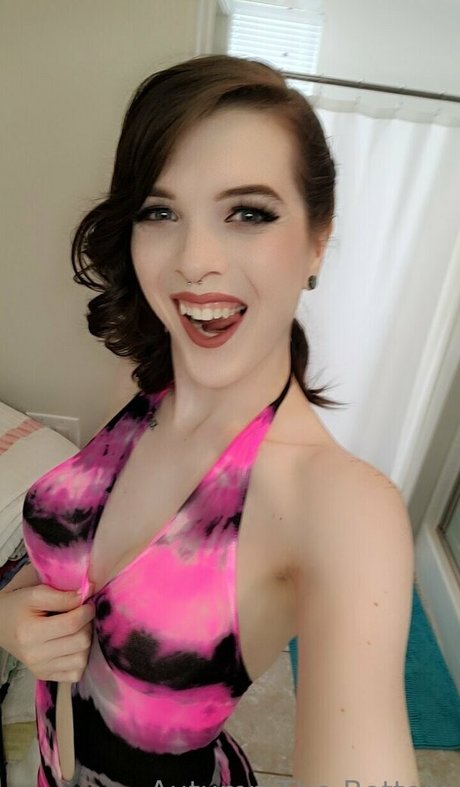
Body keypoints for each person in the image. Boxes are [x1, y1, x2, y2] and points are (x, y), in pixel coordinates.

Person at [0, 54, 420, 787]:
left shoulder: (343, 507)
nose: (194, 260)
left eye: (248, 213)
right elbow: (64, 562)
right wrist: (9, 620)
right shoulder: (147, 392)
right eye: (160, 212)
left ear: (318, 238)